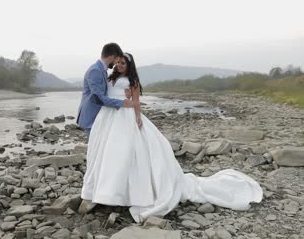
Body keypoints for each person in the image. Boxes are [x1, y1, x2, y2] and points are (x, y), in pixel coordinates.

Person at [81, 52, 263, 223]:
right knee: (112, 154)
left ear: (129, 65)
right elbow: (104, 94)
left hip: (126, 118)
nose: (119, 65)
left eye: (123, 62)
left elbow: (136, 102)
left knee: (131, 153)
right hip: (110, 118)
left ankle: (131, 193)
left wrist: (137, 119)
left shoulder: (132, 80)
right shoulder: (111, 77)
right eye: (118, 62)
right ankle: (109, 191)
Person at [76, 43, 136, 136]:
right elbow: (99, 97)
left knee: (100, 146)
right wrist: (122, 103)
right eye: (117, 60)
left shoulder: (102, 70)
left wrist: (125, 94)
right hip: (91, 115)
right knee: (95, 147)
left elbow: (106, 90)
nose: (117, 63)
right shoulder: (95, 70)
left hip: (99, 115)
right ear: (112, 57)